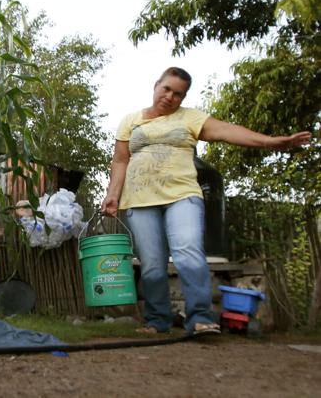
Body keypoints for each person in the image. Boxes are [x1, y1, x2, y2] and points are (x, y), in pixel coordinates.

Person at [101, 67, 311, 335]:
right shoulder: (131, 120)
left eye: (178, 94)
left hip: (183, 195)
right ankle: (156, 321)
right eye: (167, 89)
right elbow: (120, 160)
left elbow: (226, 130)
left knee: (188, 253)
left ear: (183, 97)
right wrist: (112, 194)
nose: (170, 96)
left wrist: (269, 142)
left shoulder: (190, 118)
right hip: (141, 200)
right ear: (156, 85)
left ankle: (200, 318)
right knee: (152, 263)